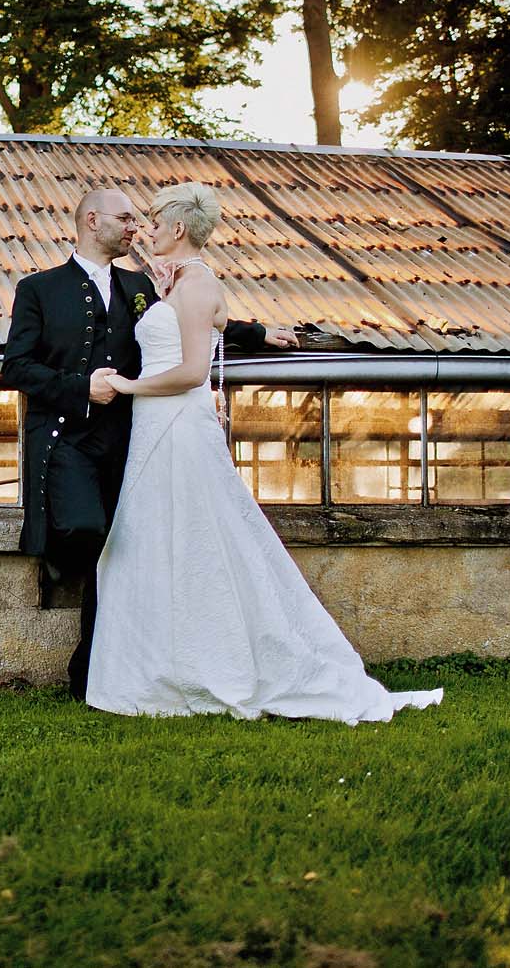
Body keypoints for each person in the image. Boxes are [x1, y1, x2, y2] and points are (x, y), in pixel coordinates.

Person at [85, 183, 442, 723]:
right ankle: (164, 665)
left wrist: (127, 385)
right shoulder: (182, 281)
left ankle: (211, 665)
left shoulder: (197, 282)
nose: (145, 231)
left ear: (178, 230)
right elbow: (219, 325)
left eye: (154, 223)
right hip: (160, 429)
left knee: (195, 541)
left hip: (177, 428)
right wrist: (250, 329)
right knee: (159, 541)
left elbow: (191, 372)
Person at [1, 188, 297, 702]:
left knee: (124, 549)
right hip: (67, 439)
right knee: (87, 531)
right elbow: (17, 365)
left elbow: (194, 321)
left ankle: (93, 672)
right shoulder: (39, 289)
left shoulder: (143, 284)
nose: (136, 226)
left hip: (131, 440)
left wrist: (260, 332)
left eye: (142, 219)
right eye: (125, 218)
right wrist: (79, 388)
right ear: (93, 221)